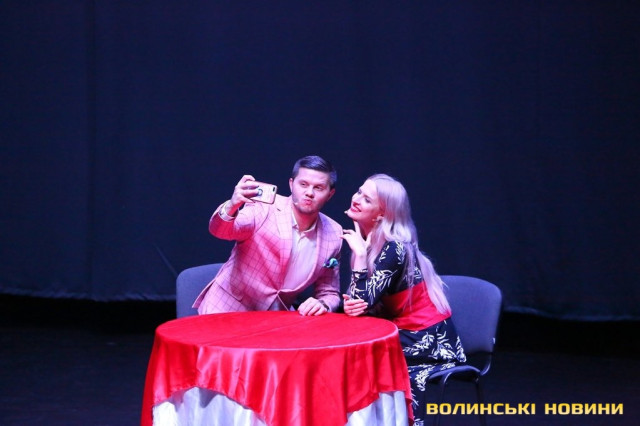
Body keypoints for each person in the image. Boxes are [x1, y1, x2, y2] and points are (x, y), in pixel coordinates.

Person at [341, 174, 466, 425]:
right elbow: (358, 304)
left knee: (360, 353)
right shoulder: (370, 243)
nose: (357, 199)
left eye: (367, 199)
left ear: (381, 214)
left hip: (426, 337)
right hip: (403, 329)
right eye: (359, 192)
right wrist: (353, 303)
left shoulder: (394, 248)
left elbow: (361, 301)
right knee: (353, 347)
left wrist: (360, 257)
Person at [193, 155, 343, 316]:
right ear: (291, 184)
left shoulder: (334, 233)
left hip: (275, 318)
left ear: (330, 194)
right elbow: (221, 231)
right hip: (226, 309)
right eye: (303, 184)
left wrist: (323, 304)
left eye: (318, 188)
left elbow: (329, 291)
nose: (309, 193)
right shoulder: (263, 208)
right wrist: (231, 205)